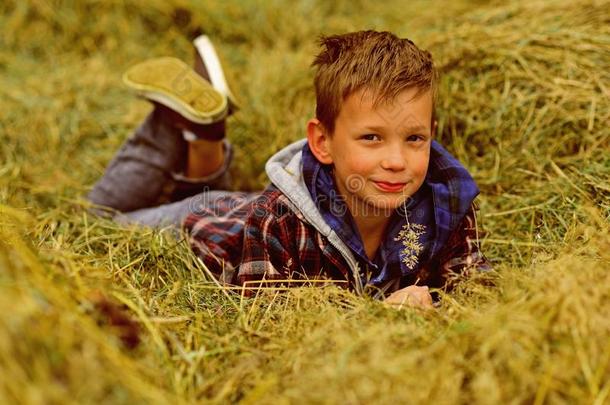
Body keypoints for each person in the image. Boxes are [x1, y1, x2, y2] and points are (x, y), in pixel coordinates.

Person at [88, 31, 491, 310]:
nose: (397, 161)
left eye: (415, 139)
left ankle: (205, 140)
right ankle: (169, 126)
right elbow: (268, 319)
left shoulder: (445, 203)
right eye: (371, 138)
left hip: (244, 208)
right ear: (322, 142)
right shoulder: (278, 221)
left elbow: (478, 286)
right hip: (207, 222)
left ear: (432, 134)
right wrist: (381, 316)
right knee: (100, 218)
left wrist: (435, 304)